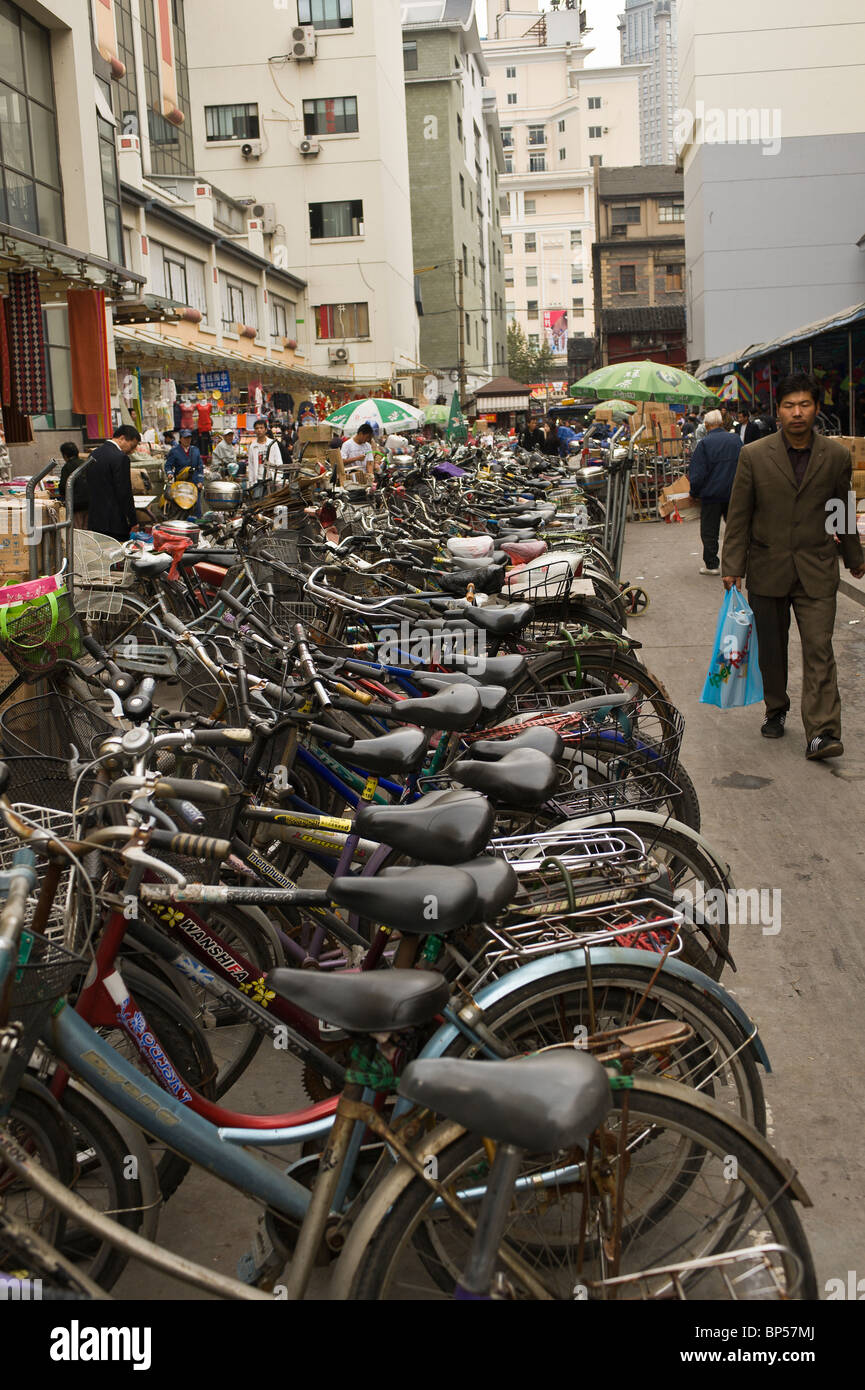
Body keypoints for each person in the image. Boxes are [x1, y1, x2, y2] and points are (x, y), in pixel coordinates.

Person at [722, 372, 865, 760]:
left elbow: (842, 508)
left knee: (820, 648)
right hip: (768, 566)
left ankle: (822, 732)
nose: (797, 412)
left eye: (804, 405)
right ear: (779, 412)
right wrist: (731, 564)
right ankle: (776, 707)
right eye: (789, 406)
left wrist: (854, 556)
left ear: (816, 409)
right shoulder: (754, 455)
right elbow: (739, 515)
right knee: (772, 648)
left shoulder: (835, 455)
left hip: (817, 568)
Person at [688, 409, 742, 575]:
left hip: (711, 495)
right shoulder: (735, 440)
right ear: (721, 423)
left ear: (706, 425)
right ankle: (738, 563)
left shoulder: (704, 443)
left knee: (709, 531)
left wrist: (694, 493)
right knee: (735, 529)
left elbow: (697, 474)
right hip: (734, 492)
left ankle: (712, 565)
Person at [86, 425, 141, 541]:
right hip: (114, 522)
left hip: (95, 520)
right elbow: (124, 492)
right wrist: (133, 521)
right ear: (122, 438)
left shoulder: (94, 454)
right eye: (132, 446)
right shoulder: (120, 458)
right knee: (116, 556)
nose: (132, 451)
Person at [165, 428, 204, 517]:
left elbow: (200, 467)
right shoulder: (174, 451)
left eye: (189, 438)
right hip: (181, 483)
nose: (187, 440)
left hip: (194, 483)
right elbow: (168, 465)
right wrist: (169, 473)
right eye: (185, 438)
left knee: (196, 507)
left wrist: (200, 481)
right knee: (181, 508)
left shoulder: (195, 450)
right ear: (180, 439)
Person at [58, 441, 90, 529]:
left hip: (76, 504)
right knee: (88, 530)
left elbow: (63, 486)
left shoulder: (68, 467)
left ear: (65, 455)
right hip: (90, 503)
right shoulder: (86, 463)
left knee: (78, 531)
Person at [246, 418, 281, 489]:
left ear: (265, 430)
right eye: (257, 428)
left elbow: (278, 460)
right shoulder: (253, 446)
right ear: (254, 431)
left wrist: (278, 477)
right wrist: (251, 481)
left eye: (261, 428)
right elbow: (251, 465)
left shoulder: (272, 443)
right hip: (258, 478)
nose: (259, 430)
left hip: (271, 477)